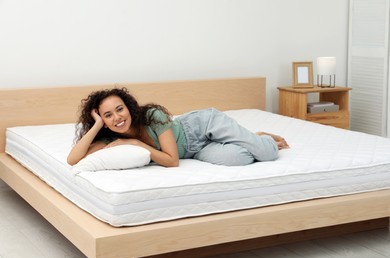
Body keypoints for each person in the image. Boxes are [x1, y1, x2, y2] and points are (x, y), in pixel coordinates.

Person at [67, 87, 289, 167]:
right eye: (108, 115)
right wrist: (96, 125)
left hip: (202, 126)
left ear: (129, 107)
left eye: (120, 109)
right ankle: (251, 136)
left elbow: (172, 161)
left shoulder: (153, 116)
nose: (117, 117)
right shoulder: (110, 138)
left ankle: (262, 139)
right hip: (195, 151)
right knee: (239, 158)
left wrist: (135, 143)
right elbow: (73, 159)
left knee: (266, 154)